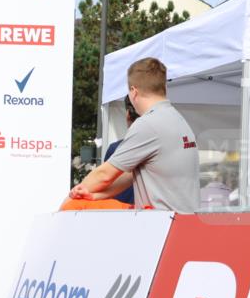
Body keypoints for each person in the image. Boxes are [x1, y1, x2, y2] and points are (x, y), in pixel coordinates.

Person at [69, 57, 199, 212]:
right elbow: (132, 175)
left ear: (133, 91)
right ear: (163, 87)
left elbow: (104, 174)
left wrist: (73, 195)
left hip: (162, 225)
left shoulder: (148, 124)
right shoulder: (178, 120)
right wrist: (96, 195)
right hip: (183, 222)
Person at [101, 97, 139, 206]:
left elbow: (105, 182)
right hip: (153, 215)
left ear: (127, 115)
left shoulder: (115, 149)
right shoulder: (160, 148)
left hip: (119, 213)